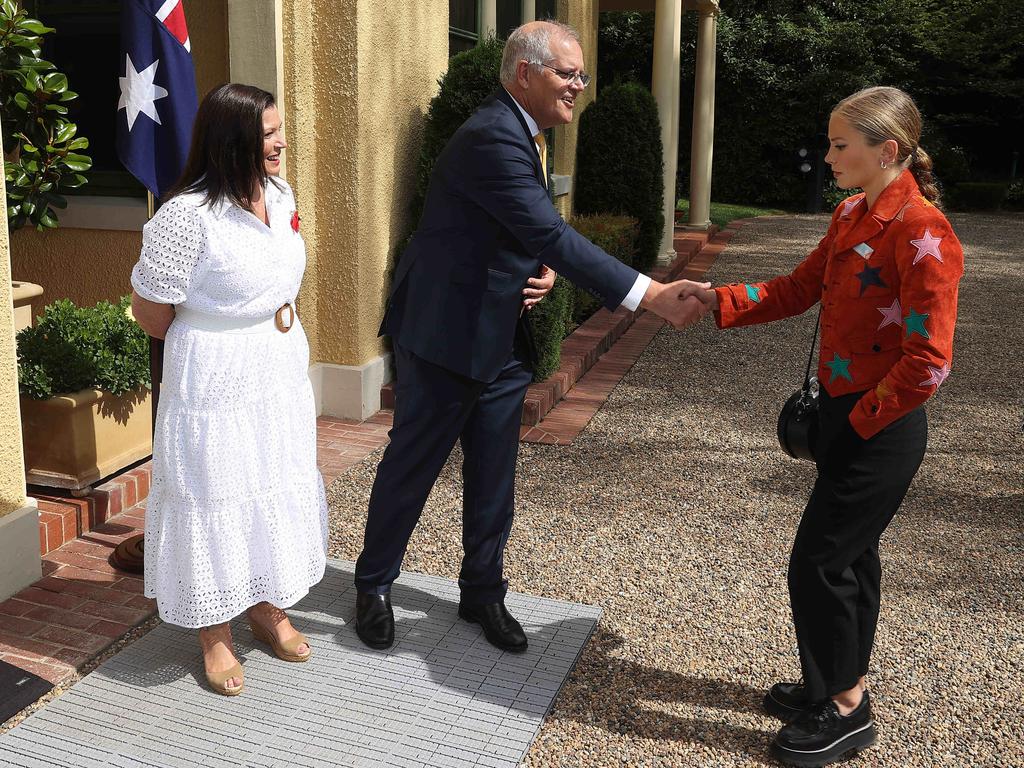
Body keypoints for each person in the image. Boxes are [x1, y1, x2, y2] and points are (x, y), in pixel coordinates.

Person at [353, 20, 711, 654]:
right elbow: (549, 230)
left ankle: (483, 593)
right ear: (524, 73)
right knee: (413, 467)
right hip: (444, 336)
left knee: (494, 474)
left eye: (581, 74)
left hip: (500, 338)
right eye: (566, 73)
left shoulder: (526, 132)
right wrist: (650, 294)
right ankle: (374, 586)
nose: (579, 85)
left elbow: (522, 225)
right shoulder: (494, 135)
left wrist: (535, 266)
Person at [697, 86, 963, 765]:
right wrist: (713, 300)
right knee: (851, 558)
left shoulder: (924, 230)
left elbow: (929, 363)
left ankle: (847, 711)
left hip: (883, 426)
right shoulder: (850, 214)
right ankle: (831, 684)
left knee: (818, 562)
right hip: (848, 417)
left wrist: (862, 422)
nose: (829, 153)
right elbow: (796, 288)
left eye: (841, 143)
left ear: (888, 150)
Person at [130, 83, 327, 696]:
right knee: (213, 491)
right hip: (213, 375)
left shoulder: (279, 193)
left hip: (279, 364)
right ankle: (213, 631)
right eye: (269, 133)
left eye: (279, 129)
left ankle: (265, 604)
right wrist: (218, 332)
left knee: (270, 478)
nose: (282, 141)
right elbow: (151, 313)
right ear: (232, 139)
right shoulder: (184, 218)